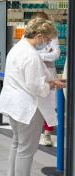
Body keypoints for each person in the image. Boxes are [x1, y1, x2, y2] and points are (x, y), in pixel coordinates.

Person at [0, 18, 65, 176]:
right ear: (39, 35)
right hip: (28, 109)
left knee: (17, 143)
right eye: (47, 39)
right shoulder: (31, 55)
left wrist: (46, 82)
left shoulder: (17, 48)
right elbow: (36, 87)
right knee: (26, 151)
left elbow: (25, 78)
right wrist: (51, 84)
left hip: (14, 105)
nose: (47, 44)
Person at [32, 12, 61, 146]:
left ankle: (47, 135)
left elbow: (56, 55)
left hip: (49, 72)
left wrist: (38, 56)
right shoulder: (30, 37)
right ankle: (35, 131)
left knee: (50, 105)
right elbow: (29, 54)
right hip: (35, 71)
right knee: (35, 103)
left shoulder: (52, 36)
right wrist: (44, 54)